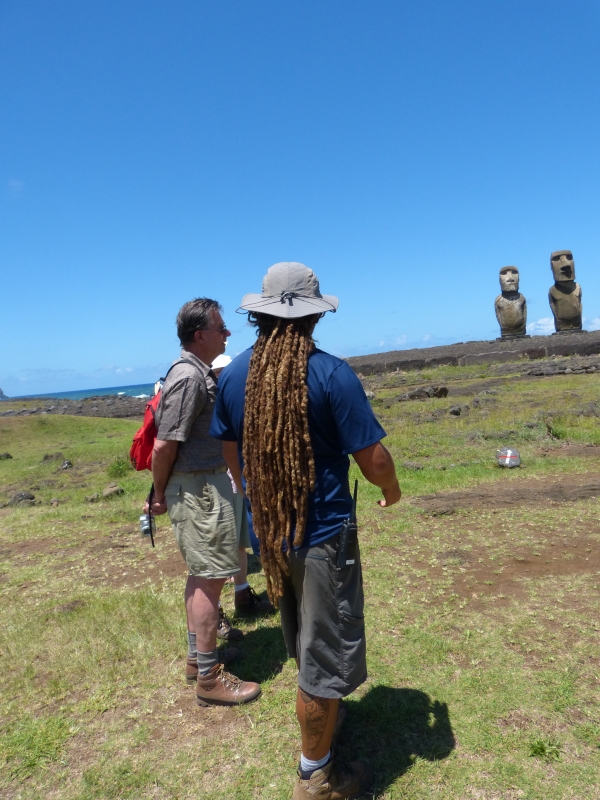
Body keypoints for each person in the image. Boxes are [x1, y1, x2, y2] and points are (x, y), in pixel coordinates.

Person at [210, 263, 401, 798]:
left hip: (270, 532)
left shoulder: (233, 376)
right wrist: (391, 488)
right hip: (322, 537)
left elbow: (232, 452)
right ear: (315, 316)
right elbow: (373, 458)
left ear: (259, 316)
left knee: (302, 636)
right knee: (323, 653)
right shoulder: (332, 374)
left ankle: (324, 723)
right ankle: (316, 776)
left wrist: (258, 497)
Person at [148, 297, 261, 707]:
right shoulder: (189, 378)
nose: (228, 333)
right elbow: (164, 445)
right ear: (200, 335)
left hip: (201, 486)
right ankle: (210, 680)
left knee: (201, 577)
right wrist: (159, 494)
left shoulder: (192, 373)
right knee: (210, 581)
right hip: (199, 490)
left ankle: (199, 660)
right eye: (220, 328)